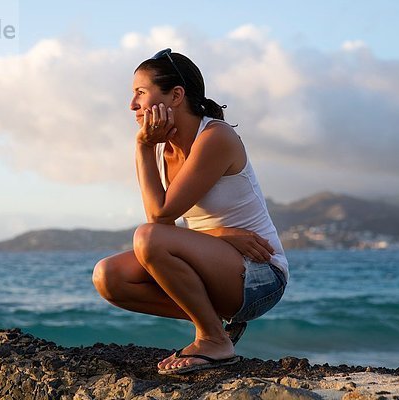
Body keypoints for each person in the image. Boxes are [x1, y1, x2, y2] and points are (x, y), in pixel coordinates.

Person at [92, 48, 289, 375]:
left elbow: (159, 221)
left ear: (176, 95)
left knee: (148, 236)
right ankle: (213, 325)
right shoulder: (164, 147)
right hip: (219, 264)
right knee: (108, 277)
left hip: (260, 275)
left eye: (140, 93)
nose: (132, 105)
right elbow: (165, 224)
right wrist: (220, 235)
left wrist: (142, 146)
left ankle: (213, 339)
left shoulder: (215, 137)